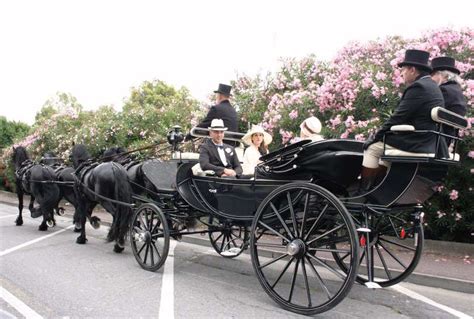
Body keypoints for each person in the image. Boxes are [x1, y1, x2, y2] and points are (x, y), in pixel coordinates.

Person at [360, 49, 445, 191]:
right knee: (385, 153)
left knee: (372, 148)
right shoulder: (433, 87)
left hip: (418, 141)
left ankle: (363, 191)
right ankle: (377, 189)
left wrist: (375, 137)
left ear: (412, 70)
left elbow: (397, 118)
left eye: (404, 70)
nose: (402, 73)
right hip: (430, 141)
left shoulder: (419, 87)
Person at [430, 56, 468, 145]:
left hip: (436, 140)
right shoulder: (457, 91)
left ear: (444, 76)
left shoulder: (444, 91)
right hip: (448, 139)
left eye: (432, 74)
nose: (430, 78)